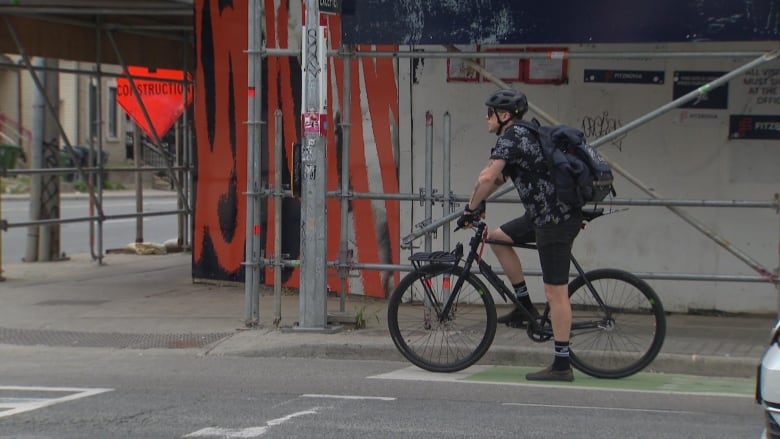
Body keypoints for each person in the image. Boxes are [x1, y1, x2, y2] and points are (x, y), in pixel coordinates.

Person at [456, 89, 583, 382]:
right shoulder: (523, 134)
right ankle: (523, 304)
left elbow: (488, 177)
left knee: (556, 291)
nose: (485, 117)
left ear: (504, 116)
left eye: (489, 112)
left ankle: (562, 364)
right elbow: (496, 178)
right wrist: (481, 202)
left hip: (554, 219)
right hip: (543, 214)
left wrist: (469, 210)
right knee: (499, 238)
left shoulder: (512, 137)